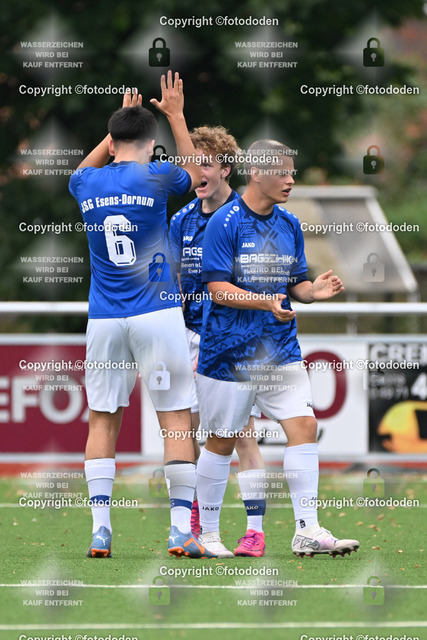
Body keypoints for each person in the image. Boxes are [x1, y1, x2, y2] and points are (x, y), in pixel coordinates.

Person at [68, 72, 216, 559]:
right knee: (175, 420)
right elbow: (197, 175)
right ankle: (179, 531)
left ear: (111, 143)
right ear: (152, 146)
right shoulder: (157, 175)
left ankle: (100, 531)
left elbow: (82, 168)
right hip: (157, 313)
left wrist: (115, 129)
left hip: (105, 319)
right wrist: (176, 114)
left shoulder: (86, 182)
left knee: (102, 421)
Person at [195, 140, 360, 558]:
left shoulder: (289, 223)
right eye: (282, 172)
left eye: (292, 172)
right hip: (229, 353)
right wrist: (264, 302)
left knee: (304, 426)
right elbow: (217, 289)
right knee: (221, 441)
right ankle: (208, 534)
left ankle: (307, 530)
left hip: (280, 348)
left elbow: (295, 284)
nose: (290, 180)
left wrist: (311, 292)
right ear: (255, 173)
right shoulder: (224, 221)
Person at [169, 127, 266, 557]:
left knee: (241, 434)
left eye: (205, 164)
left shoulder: (246, 218)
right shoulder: (181, 220)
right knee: (188, 431)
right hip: (188, 338)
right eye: (192, 164)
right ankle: (195, 521)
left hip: (233, 337)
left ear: (226, 169)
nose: (197, 172)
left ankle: (254, 530)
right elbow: (171, 281)